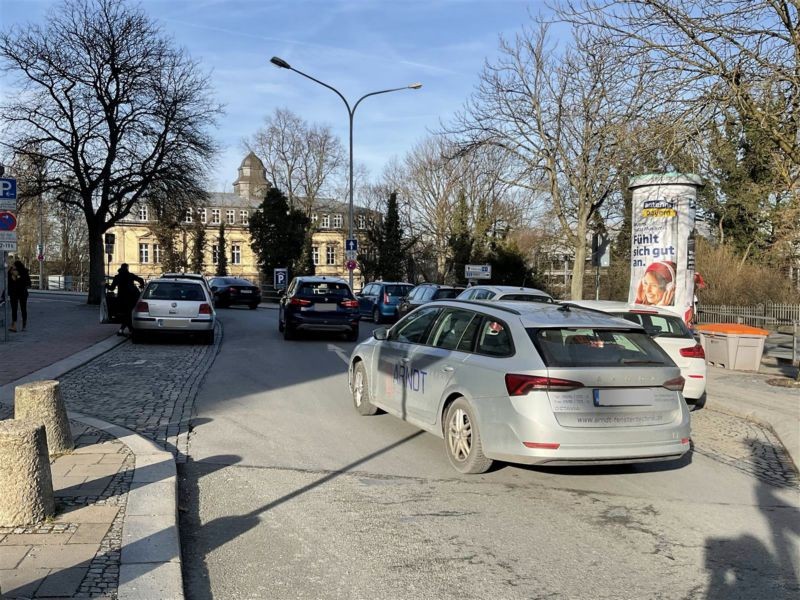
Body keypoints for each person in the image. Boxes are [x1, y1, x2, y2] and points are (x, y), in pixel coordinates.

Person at [107, 263, 144, 335]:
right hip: (132, 298)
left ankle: (126, 329)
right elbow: (141, 279)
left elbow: (111, 288)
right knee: (129, 314)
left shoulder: (117, 277)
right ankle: (127, 329)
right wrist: (141, 286)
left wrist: (105, 285)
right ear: (127, 268)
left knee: (126, 314)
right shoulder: (130, 275)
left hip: (121, 298)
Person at [7, 260, 31, 332]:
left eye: (14, 265)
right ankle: (18, 326)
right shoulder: (10, 272)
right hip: (17, 293)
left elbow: (28, 283)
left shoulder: (23, 272)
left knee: (18, 309)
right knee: (19, 309)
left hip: (19, 293)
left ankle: (18, 325)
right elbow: (8, 282)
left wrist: (17, 277)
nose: (13, 267)